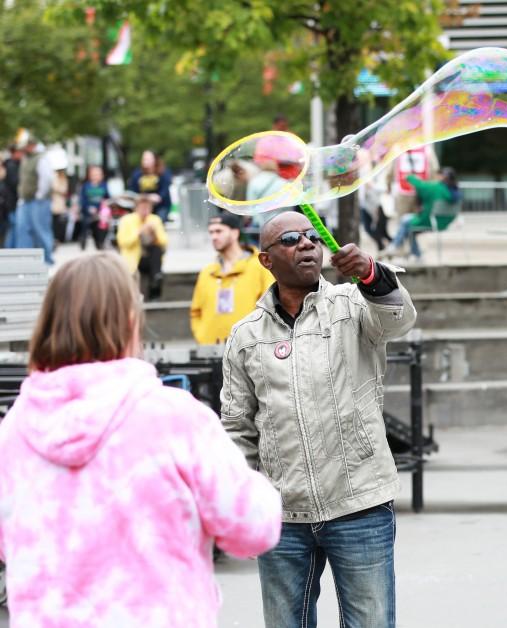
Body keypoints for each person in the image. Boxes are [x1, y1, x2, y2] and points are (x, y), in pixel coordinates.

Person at [0, 252, 282, 626]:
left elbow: (9, 544)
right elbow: (252, 527)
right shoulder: (174, 417)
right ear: (130, 321)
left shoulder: (15, 427)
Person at [222, 211, 417, 628]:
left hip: (359, 504)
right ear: (266, 260)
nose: (306, 244)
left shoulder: (351, 304)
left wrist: (369, 273)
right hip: (283, 515)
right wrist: (241, 501)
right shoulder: (246, 335)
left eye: (311, 236)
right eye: (291, 239)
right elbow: (237, 427)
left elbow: (399, 317)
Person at [190, 212, 274, 345]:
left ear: (235, 233)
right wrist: (202, 336)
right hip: (211, 351)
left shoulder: (260, 266)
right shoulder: (206, 272)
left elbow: (272, 306)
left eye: (219, 231)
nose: (214, 237)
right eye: (211, 232)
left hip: (250, 350)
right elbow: (196, 312)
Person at [386, 167, 460, 260]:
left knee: (405, 221)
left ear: (442, 177)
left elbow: (420, 186)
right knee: (409, 228)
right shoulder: (456, 191)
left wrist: (410, 177)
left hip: (431, 221)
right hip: (446, 223)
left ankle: (395, 245)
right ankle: (416, 255)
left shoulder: (437, 188)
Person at [117, 194, 168, 300]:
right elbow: (123, 242)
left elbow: (164, 242)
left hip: (150, 258)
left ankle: (156, 278)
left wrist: (154, 233)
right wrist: (139, 232)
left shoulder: (155, 219)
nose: (145, 210)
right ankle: (155, 277)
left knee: (156, 251)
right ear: (136, 208)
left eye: (148, 208)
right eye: (142, 207)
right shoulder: (127, 220)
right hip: (133, 258)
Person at [14, 134, 55, 264]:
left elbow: (46, 179)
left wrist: (39, 195)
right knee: (22, 229)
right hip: (24, 201)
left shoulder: (41, 158)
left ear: (31, 145)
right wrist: (21, 199)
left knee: (41, 229)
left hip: (39, 201)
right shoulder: (26, 158)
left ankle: (47, 260)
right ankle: (24, 261)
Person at [390, 146, 438, 217]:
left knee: (403, 220)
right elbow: (435, 170)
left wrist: (388, 186)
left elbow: (390, 172)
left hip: (402, 192)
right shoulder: (427, 149)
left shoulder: (398, 149)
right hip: (421, 192)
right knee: (418, 222)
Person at [128, 150, 173, 223]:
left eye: (148, 159)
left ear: (155, 160)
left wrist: (158, 197)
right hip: (143, 205)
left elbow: (165, 189)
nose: (145, 161)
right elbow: (133, 189)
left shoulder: (163, 172)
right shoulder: (137, 174)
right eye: (144, 159)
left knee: (157, 222)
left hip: (160, 206)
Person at [78, 165, 111, 249]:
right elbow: (82, 200)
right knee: (86, 223)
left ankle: (100, 242)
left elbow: (108, 198)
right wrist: (89, 208)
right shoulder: (86, 186)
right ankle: (83, 239)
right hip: (88, 212)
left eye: (98, 174)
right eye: (94, 174)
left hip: (101, 212)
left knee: (103, 224)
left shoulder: (104, 186)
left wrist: (105, 205)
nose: (96, 176)